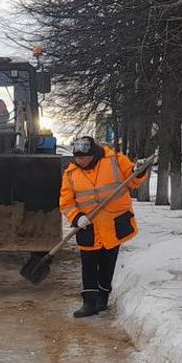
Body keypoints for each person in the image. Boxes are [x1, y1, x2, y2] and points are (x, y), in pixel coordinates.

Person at [60, 136, 148, 318]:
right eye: (77, 158)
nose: (80, 161)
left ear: (93, 155)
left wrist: (138, 171)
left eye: (83, 158)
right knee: (88, 265)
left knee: (108, 263)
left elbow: (133, 180)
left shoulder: (115, 161)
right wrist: (77, 218)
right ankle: (89, 303)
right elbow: (66, 202)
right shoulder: (70, 174)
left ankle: (103, 298)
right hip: (88, 227)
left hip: (113, 224)